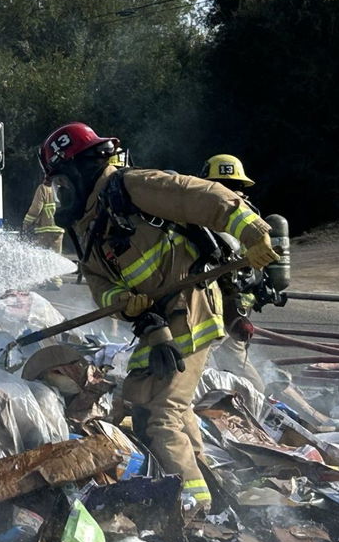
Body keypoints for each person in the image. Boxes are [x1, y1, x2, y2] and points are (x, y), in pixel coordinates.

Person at [37, 123, 280, 517]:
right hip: (157, 323)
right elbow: (101, 284)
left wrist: (251, 231)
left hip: (192, 307)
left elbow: (198, 195)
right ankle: (206, 483)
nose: (62, 192)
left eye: (63, 181)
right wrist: (128, 305)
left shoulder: (129, 187)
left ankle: (198, 513)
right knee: (136, 401)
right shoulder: (85, 226)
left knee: (162, 416)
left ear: (83, 167)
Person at [201, 154, 266, 391]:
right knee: (241, 369)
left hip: (215, 307)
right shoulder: (251, 215)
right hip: (237, 309)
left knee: (197, 366)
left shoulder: (207, 214)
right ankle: (259, 402)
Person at [21, 177, 66, 288]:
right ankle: (56, 281)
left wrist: (26, 223)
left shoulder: (43, 188)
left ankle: (42, 280)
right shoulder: (64, 188)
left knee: (41, 256)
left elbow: (36, 208)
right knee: (55, 255)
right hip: (59, 230)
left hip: (44, 229)